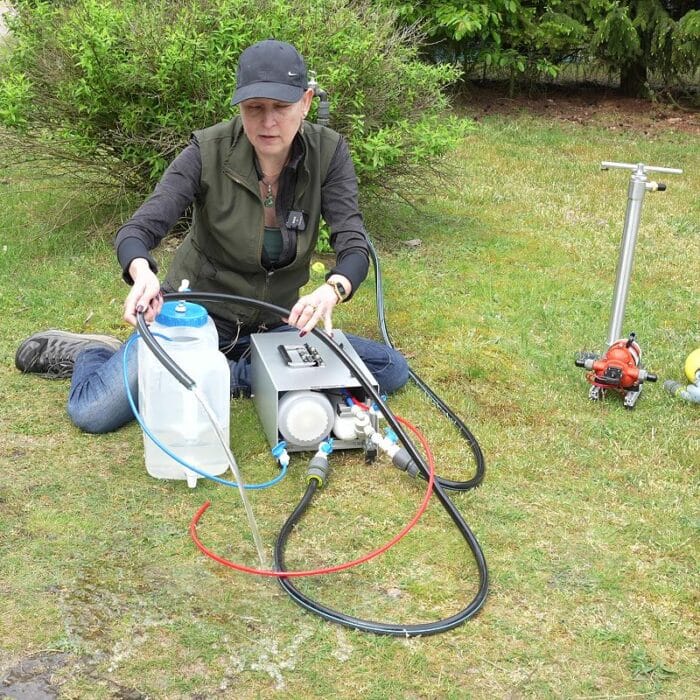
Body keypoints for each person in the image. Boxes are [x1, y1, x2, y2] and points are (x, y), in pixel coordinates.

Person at [15, 39, 409, 433]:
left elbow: (353, 242)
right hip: (195, 317)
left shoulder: (330, 152)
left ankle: (228, 372)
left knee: (388, 370)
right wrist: (142, 271)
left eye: (282, 107)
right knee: (94, 413)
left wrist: (332, 290)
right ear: (239, 106)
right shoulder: (207, 150)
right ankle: (97, 351)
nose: (268, 122)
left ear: (306, 102)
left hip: (279, 321)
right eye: (255, 108)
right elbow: (139, 229)